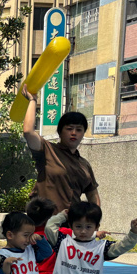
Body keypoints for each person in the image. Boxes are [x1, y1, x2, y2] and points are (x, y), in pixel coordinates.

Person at [22, 85, 101, 213]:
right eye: (69, 129)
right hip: (45, 221)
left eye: (79, 130)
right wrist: (32, 100)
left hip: (72, 222)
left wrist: (94, 219)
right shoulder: (47, 150)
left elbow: (93, 194)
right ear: (60, 132)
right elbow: (28, 131)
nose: (74, 133)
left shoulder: (84, 165)